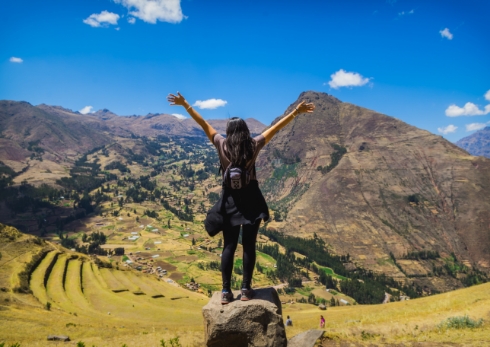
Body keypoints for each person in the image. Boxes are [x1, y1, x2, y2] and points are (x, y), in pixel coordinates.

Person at [167, 92, 315, 304]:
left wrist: (185, 105)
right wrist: (295, 113)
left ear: (229, 131)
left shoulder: (221, 143)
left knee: (229, 245)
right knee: (249, 246)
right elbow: (276, 129)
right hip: (251, 202)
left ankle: (226, 292)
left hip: (229, 202)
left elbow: (203, 123)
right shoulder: (253, 145)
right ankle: (246, 289)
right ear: (245, 132)